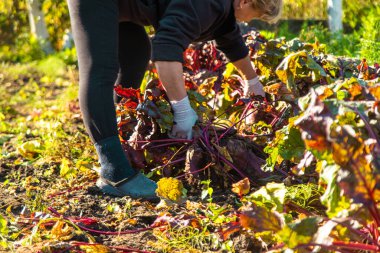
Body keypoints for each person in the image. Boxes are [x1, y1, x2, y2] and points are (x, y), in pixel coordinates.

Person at [67, 0, 283, 200]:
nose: (247, 21)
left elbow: (230, 37)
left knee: (136, 52)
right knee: (100, 70)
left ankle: (118, 138)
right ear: (244, 1)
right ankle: (115, 171)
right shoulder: (208, 4)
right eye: (253, 16)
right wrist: (182, 110)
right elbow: (166, 52)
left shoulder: (221, 6)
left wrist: (252, 81)